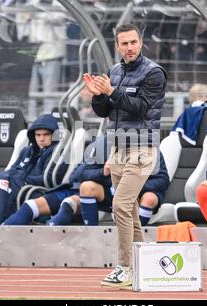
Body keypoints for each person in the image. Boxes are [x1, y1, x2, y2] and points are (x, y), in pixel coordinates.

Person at [83, 23, 167, 288]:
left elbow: (141, 108)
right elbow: (104, 111)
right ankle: (142, 267)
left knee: (119, 205)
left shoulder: (154, 73)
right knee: (128, 209)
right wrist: (98, 95)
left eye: (133, 42)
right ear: (117, 46)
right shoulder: (115, 72)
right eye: (124, 43)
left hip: (142, 149)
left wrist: (110, 91)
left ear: (140, 43)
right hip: (117, 148)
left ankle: (123, 267)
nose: (129, 48)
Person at [49, 153, 170, 227]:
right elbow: (82, 174)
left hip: (138, 195)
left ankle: (134, 237)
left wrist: (134, 185)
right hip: (110, 193)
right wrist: (103, 172)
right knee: (87, 187)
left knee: (150, 198)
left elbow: (162, 180)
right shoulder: (102, 145)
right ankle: (92, 234)